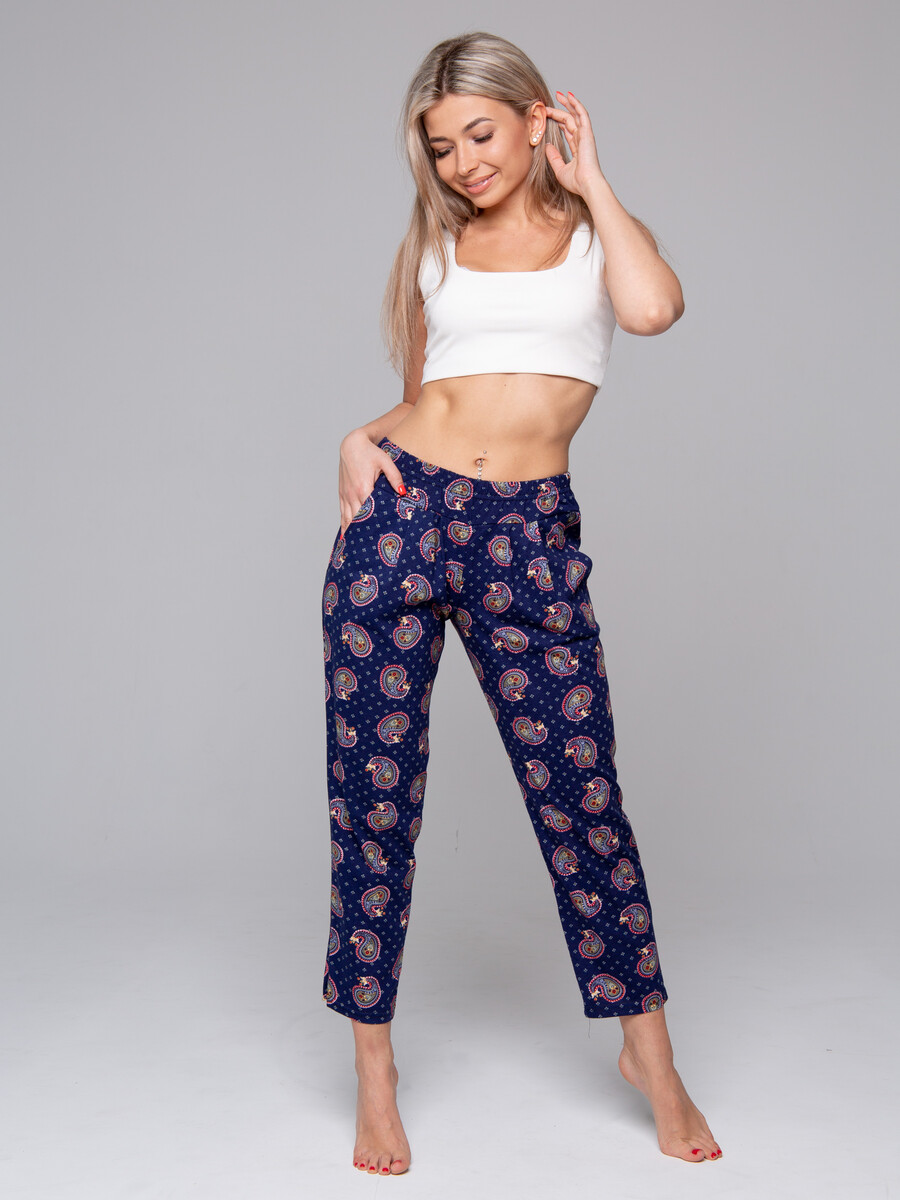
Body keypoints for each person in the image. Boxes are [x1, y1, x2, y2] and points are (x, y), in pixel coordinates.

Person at [320, 30, 721, 1176]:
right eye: (443, 148)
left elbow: (654, 311)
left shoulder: (598, 239)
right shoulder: (436, 247)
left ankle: (650, 1055)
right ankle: (375, 1071)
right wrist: (356, 438)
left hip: (525, 539)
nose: (464, 164)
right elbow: (424, 396)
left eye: (481, 134)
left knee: (583, 804)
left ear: (538, 116)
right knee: (374, 803)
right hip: (400, 524)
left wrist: (591, 176)